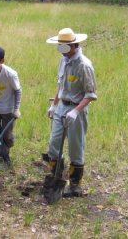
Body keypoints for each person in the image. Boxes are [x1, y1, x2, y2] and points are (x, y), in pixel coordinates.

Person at [45, 28, 97, 197]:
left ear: (74, 45)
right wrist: (54, 104)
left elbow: (90, 95)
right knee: (54, 143)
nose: (62, 50)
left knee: (76, 146)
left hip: (77, 109)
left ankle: (75, 185)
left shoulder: (84, 65)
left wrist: (75, 112)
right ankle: (56, 177)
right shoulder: (64, 60)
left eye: (64, 47)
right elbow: (61, 85)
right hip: (61, 107)